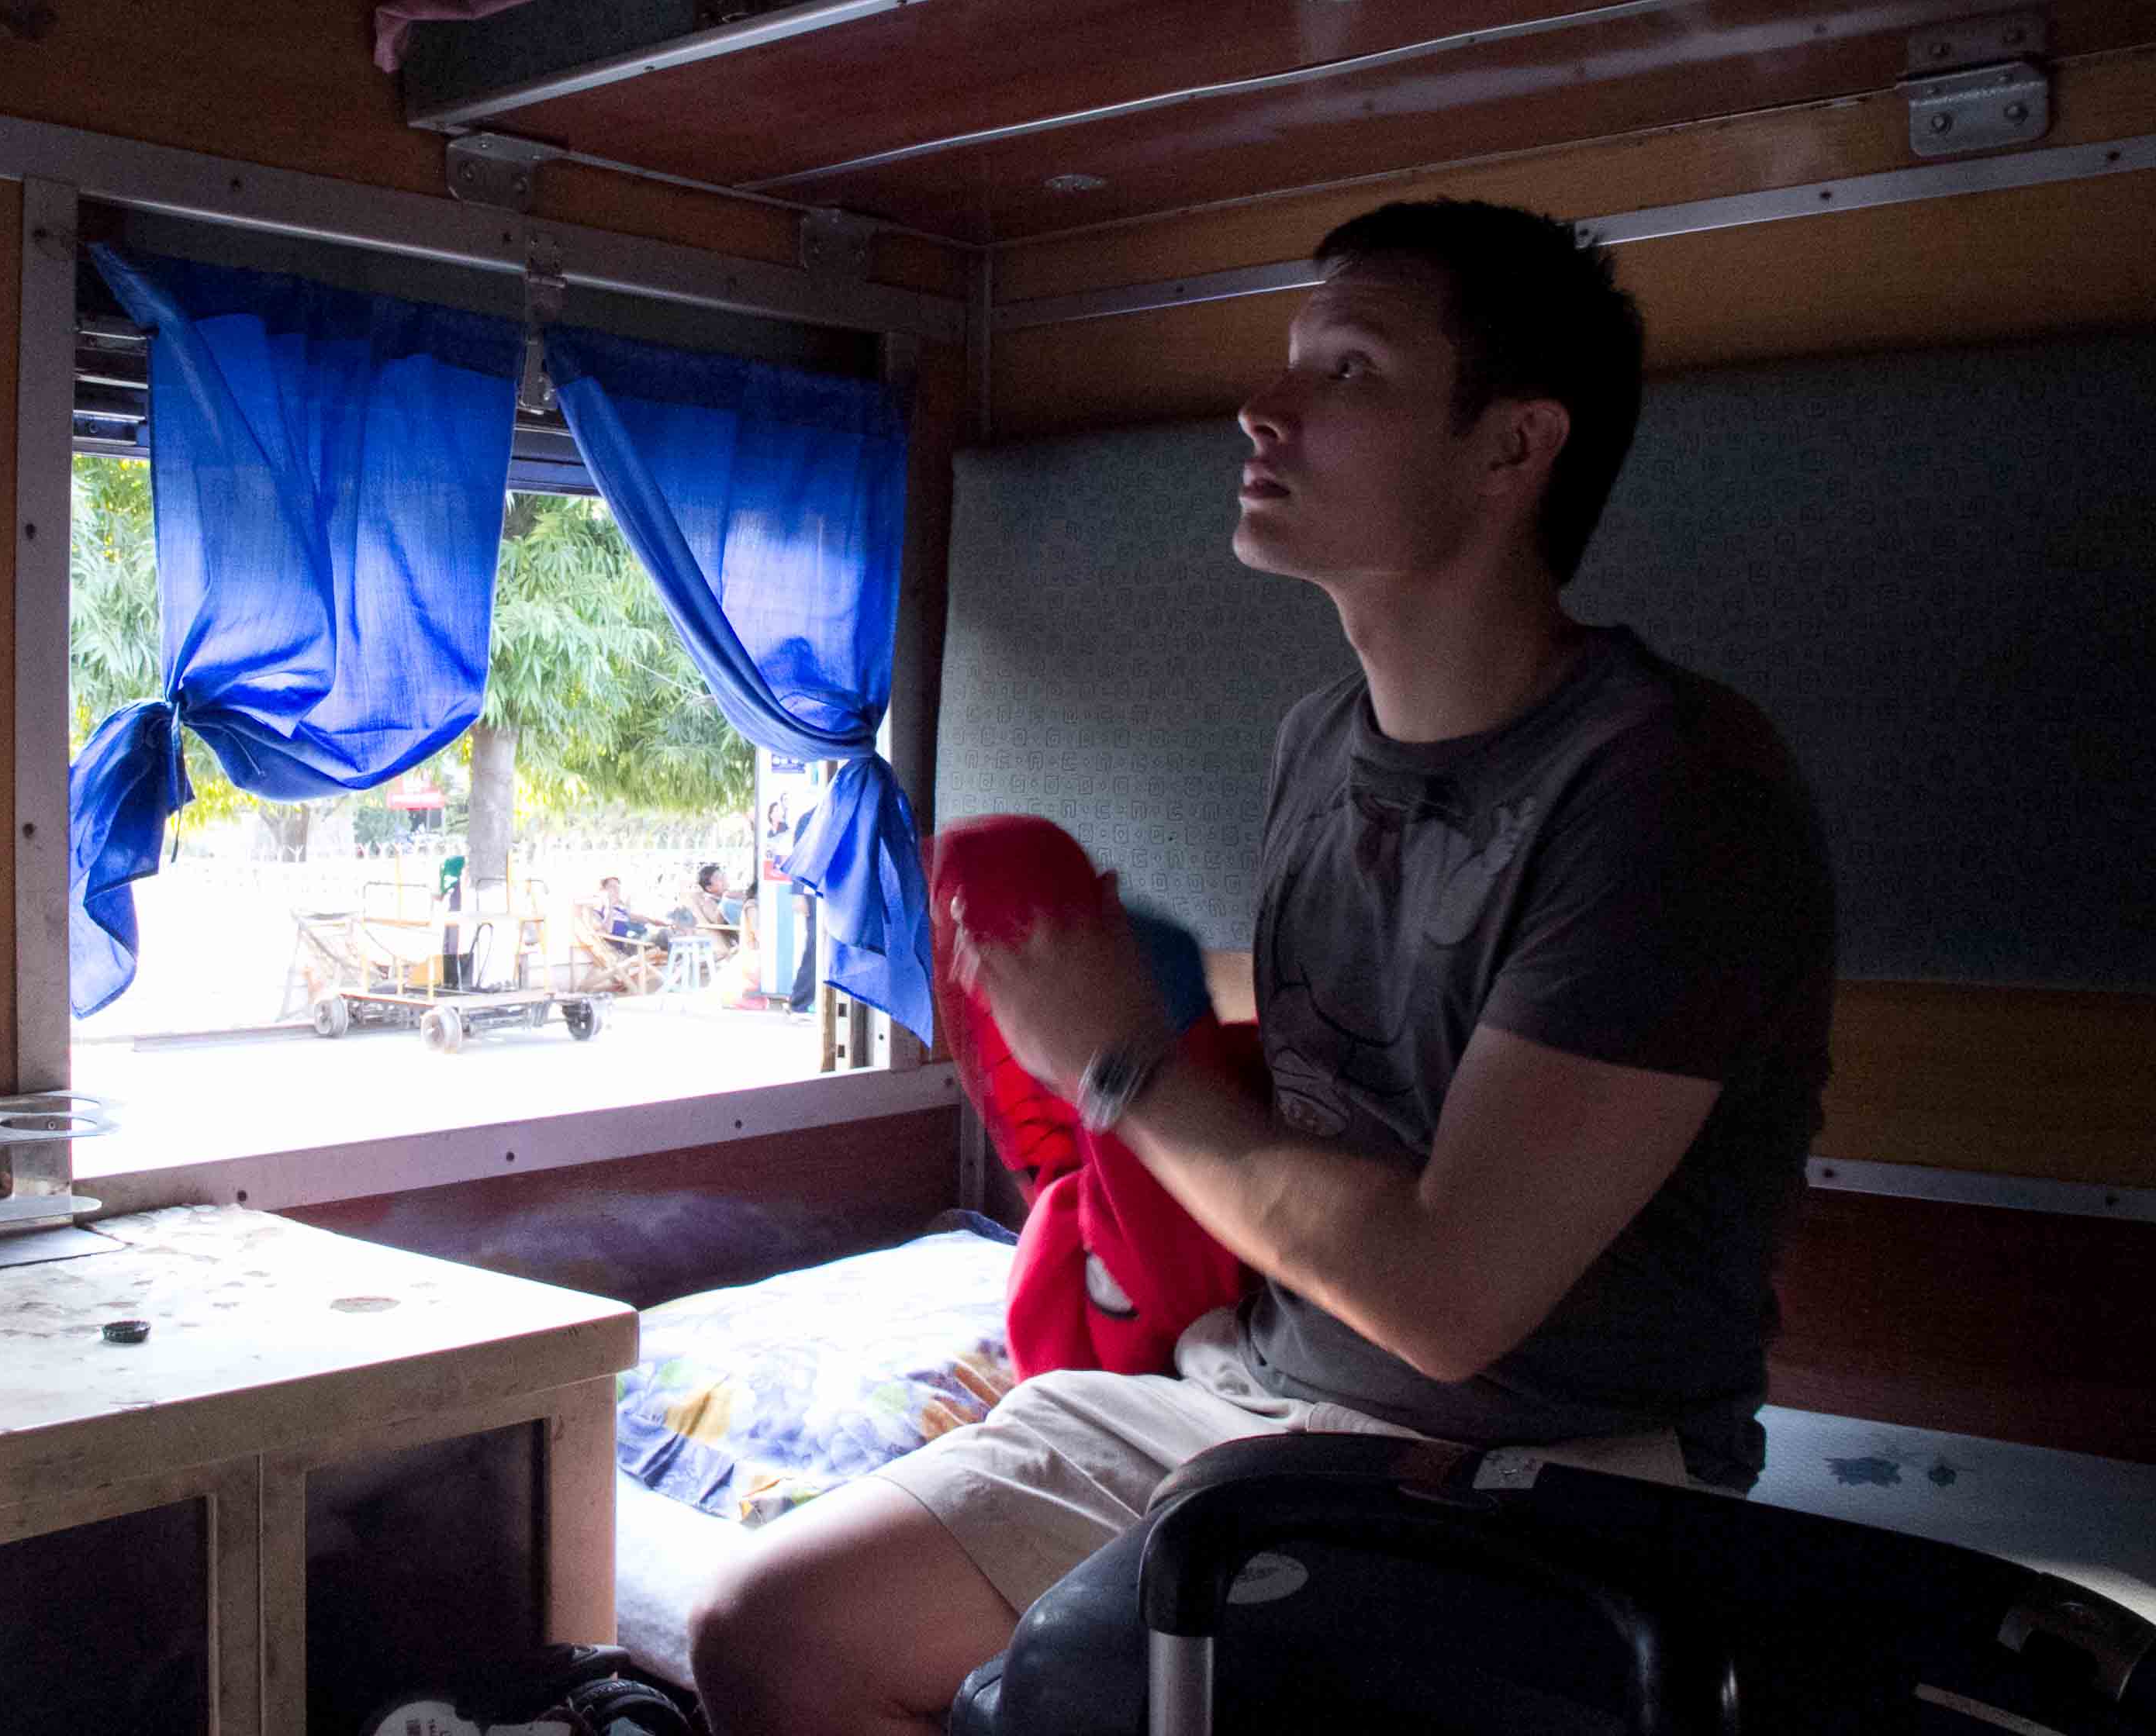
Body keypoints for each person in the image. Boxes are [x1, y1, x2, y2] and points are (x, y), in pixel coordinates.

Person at [689, 200, 1833, 1735]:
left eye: (1347, 371)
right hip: (1257, 1402)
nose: (1262, 407)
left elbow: (1451, 1296)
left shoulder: (1672, 788)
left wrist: (1122, 1063)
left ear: (1513, 446)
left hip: (1552, 1470)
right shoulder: (1321, 745)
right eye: (1289, 362)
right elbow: (1334, 1119)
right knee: (773, 1634)